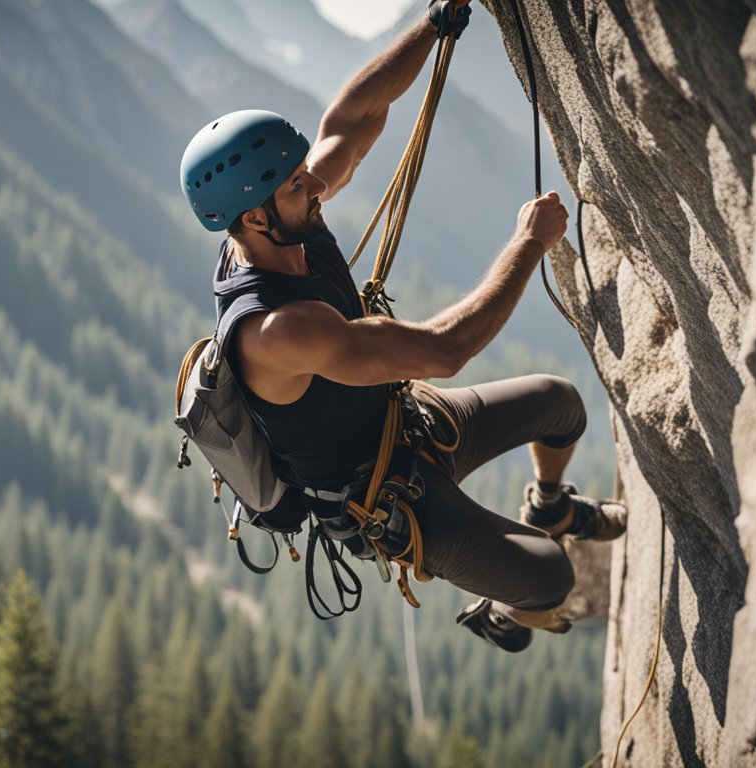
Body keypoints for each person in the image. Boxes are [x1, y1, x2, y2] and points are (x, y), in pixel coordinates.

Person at [178, 0, 625, 651]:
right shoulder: (276, 331)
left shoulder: (282, 225)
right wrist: (529, 243)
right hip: (384, 497)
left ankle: (551, 506)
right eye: (296, 184)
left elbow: (352, 120)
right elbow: (447, 350)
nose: (314, 184)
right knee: (550, 576)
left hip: (407, 424)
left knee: (561, 406)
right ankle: (506, 611)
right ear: (253, 218)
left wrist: (436, 24)